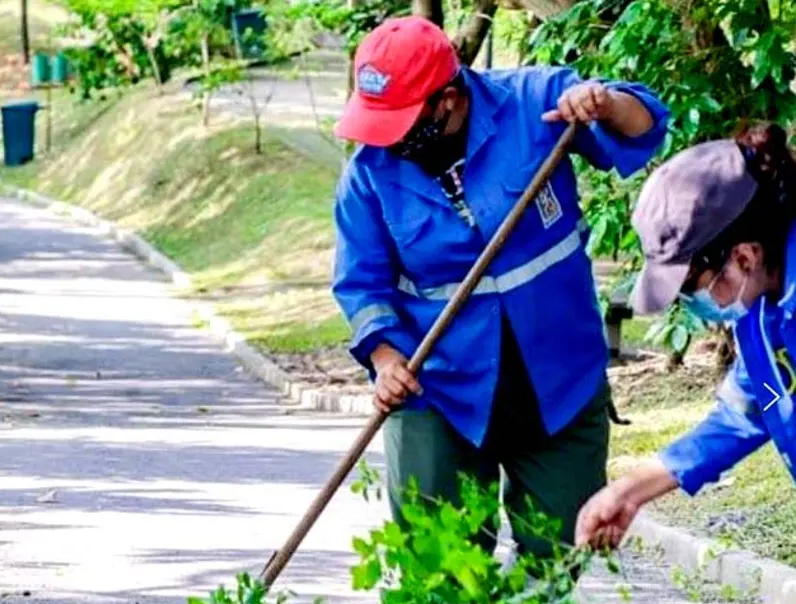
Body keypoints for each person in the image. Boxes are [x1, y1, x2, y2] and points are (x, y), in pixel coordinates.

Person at [331, 15, 669, 561]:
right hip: (440, 391)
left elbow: (645, 125)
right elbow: (361, 283)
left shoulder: (535, 104)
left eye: (397, 120)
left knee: (558, 555)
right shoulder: (368, 175)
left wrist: (603, 103)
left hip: (560, 381)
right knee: (439, 574)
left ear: (446, 98)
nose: (385, 138)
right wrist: (388, 358)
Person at [576, 123, 796, 550]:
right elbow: (746, 412)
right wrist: (631, 489)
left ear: (743, 257)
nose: (688, 304)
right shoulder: (761, 323)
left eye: (687, 288)